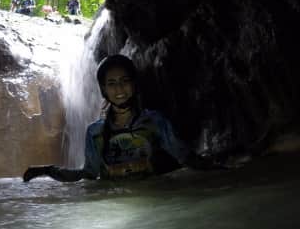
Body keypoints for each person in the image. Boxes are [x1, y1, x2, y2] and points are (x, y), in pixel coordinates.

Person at [23, 55, 222, 182]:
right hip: (112, 205)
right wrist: (47, 171)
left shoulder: (155, 122)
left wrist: (222, 169)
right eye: (111, 83)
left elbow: (185, 158)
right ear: (103, 89)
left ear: (134, 84)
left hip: (154, 201)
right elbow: (88, 174)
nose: (119, 88)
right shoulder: (95, 132)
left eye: (125, 81)